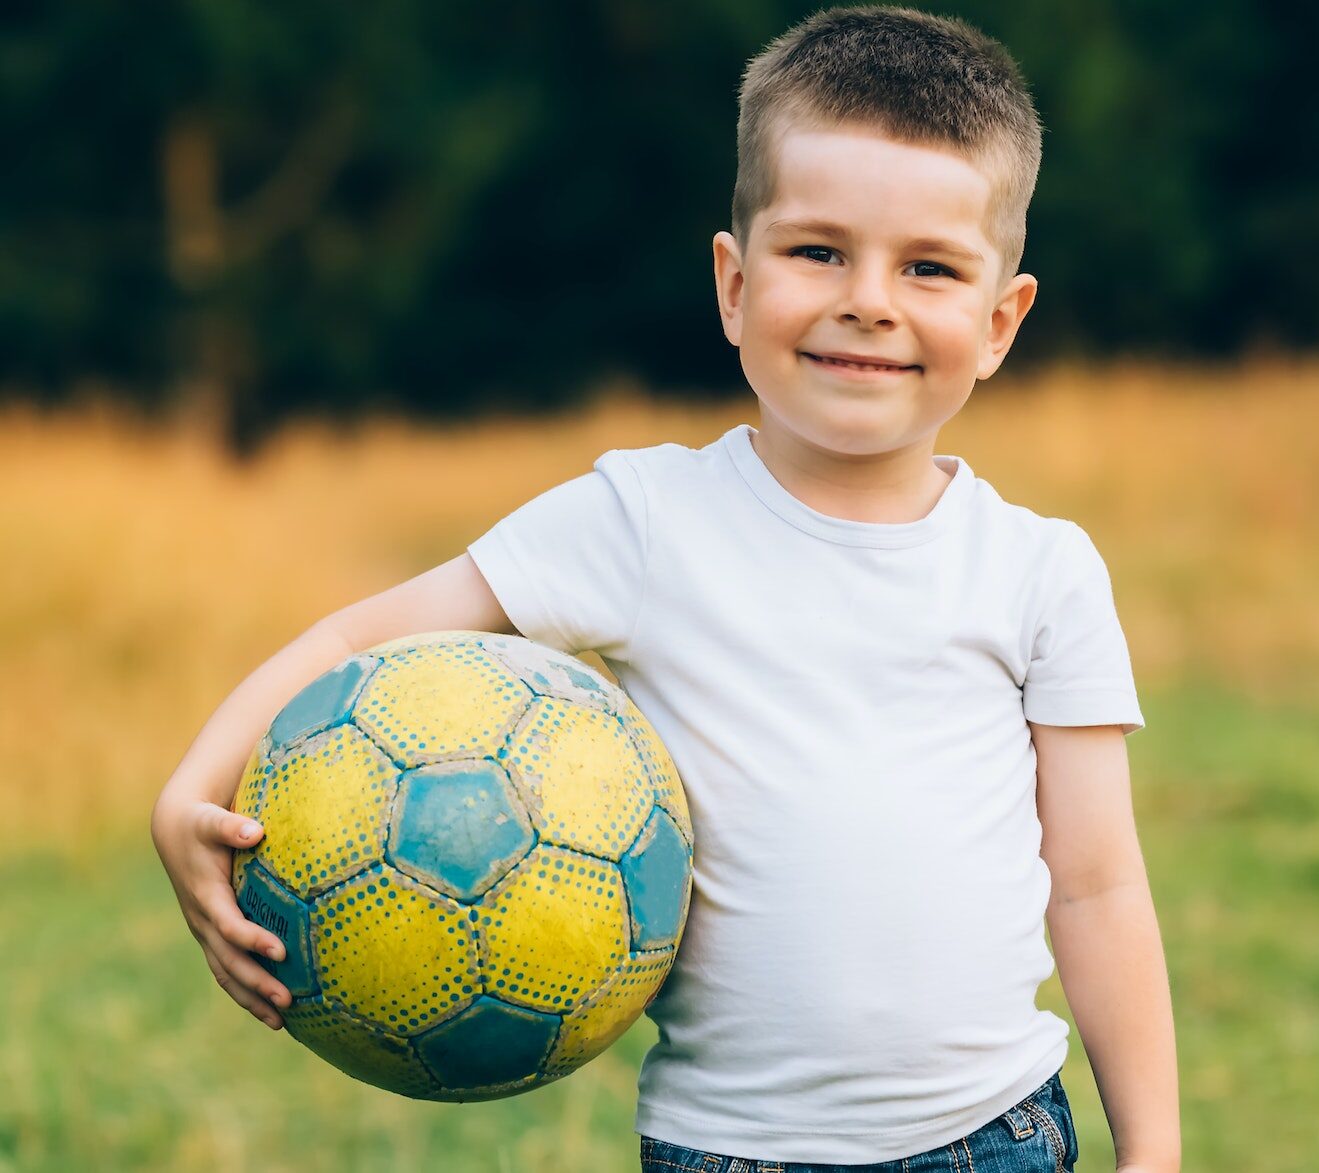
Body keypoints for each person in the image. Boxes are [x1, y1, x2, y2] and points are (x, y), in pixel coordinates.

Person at [150, 6, 1179, 1171]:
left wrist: (1151, 1151)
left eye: (928, 268)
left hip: (989, 1136)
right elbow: (355, 637)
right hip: (725, 1147)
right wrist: (190, 786)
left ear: (999, 323)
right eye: (818, 251)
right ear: (733, 284)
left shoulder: (1039, 570)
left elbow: (1095, 891)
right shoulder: (641, 521)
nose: (870, 300)